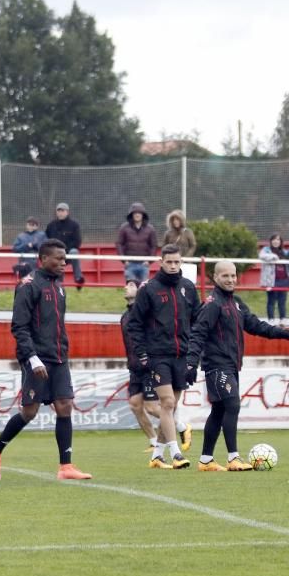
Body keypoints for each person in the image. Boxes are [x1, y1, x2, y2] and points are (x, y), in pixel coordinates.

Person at [0, 239, 92, 481]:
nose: (65, 263)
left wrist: (63, 348)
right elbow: (19, 326)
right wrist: (32, 358)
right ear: (43, 259)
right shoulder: (28, 286)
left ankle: (66, 466)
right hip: (36, 357)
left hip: (59, 356)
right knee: (29, 411)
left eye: (66, 259)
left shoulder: (59, 286)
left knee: (64, 406)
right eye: (59, 259)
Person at [186, 261, 289, 471]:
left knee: (219, 410)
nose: (230, 280)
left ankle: (205, 461)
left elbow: (255, 325)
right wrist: (191, 363)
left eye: (233, 276)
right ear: (215, 278)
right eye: (225, 276)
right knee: (232, 405)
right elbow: (198, 333)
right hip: (217, 365)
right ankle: (233, 458)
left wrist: (281, 333)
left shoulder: (236, 303)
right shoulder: (212, 304)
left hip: (231, 366)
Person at [126, 244, 200, 469]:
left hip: (182, 355)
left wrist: (194, 352)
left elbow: (197, 320)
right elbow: (134, 324)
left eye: (177, 262)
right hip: (158, 356)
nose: (173, 266)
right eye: (169, 262)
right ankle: (176, 453)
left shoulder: (188, 287)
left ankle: (157, 455)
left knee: (171, 407)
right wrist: (142, 354)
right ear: (161, 262)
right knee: (167, 403)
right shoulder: (149, 289)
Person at [120, 275, 164, 454]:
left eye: (130, 285)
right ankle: (154, 441)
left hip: (148, 366)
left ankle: (183, 427)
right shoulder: (125, 316)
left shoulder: (146, 314)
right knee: (135, 405)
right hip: (135, 368)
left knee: (152, 407)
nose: (125, 288)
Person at [116, 201, 158, 283]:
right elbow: (119, 244)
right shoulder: (124, 228)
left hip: (144, 264)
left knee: (143, 289)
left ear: (143, 215)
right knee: (131, 288)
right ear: (131, 215)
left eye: (139, 213)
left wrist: (149, 261)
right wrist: (124, 260)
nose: (137, 215)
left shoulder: (150, 229)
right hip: (130, 264)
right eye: (135, 213)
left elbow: (154, 245)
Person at [45, 203, 85, 288]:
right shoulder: (51, 225)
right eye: (58, 211)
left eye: (62, 211)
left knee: (74, 252)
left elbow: (77, 241)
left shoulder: (74, 225)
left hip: (68, 253)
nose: (60, 213)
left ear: (67, 212)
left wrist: (64, 251)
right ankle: (58, 283)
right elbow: (47, 240)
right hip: (55, 253)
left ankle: (78, 278)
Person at [259, 233, 289, 326]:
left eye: (278, 240)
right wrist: (273, 257)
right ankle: (271, 320)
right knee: (271, 301)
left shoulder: (285, 252)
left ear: (281, 242)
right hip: (271, 281)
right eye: (274, 239)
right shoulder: (266, 250)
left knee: (282, 301)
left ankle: (282, 319)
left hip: (284, 280)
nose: (276, 241)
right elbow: (261, 256)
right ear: (271, 241)